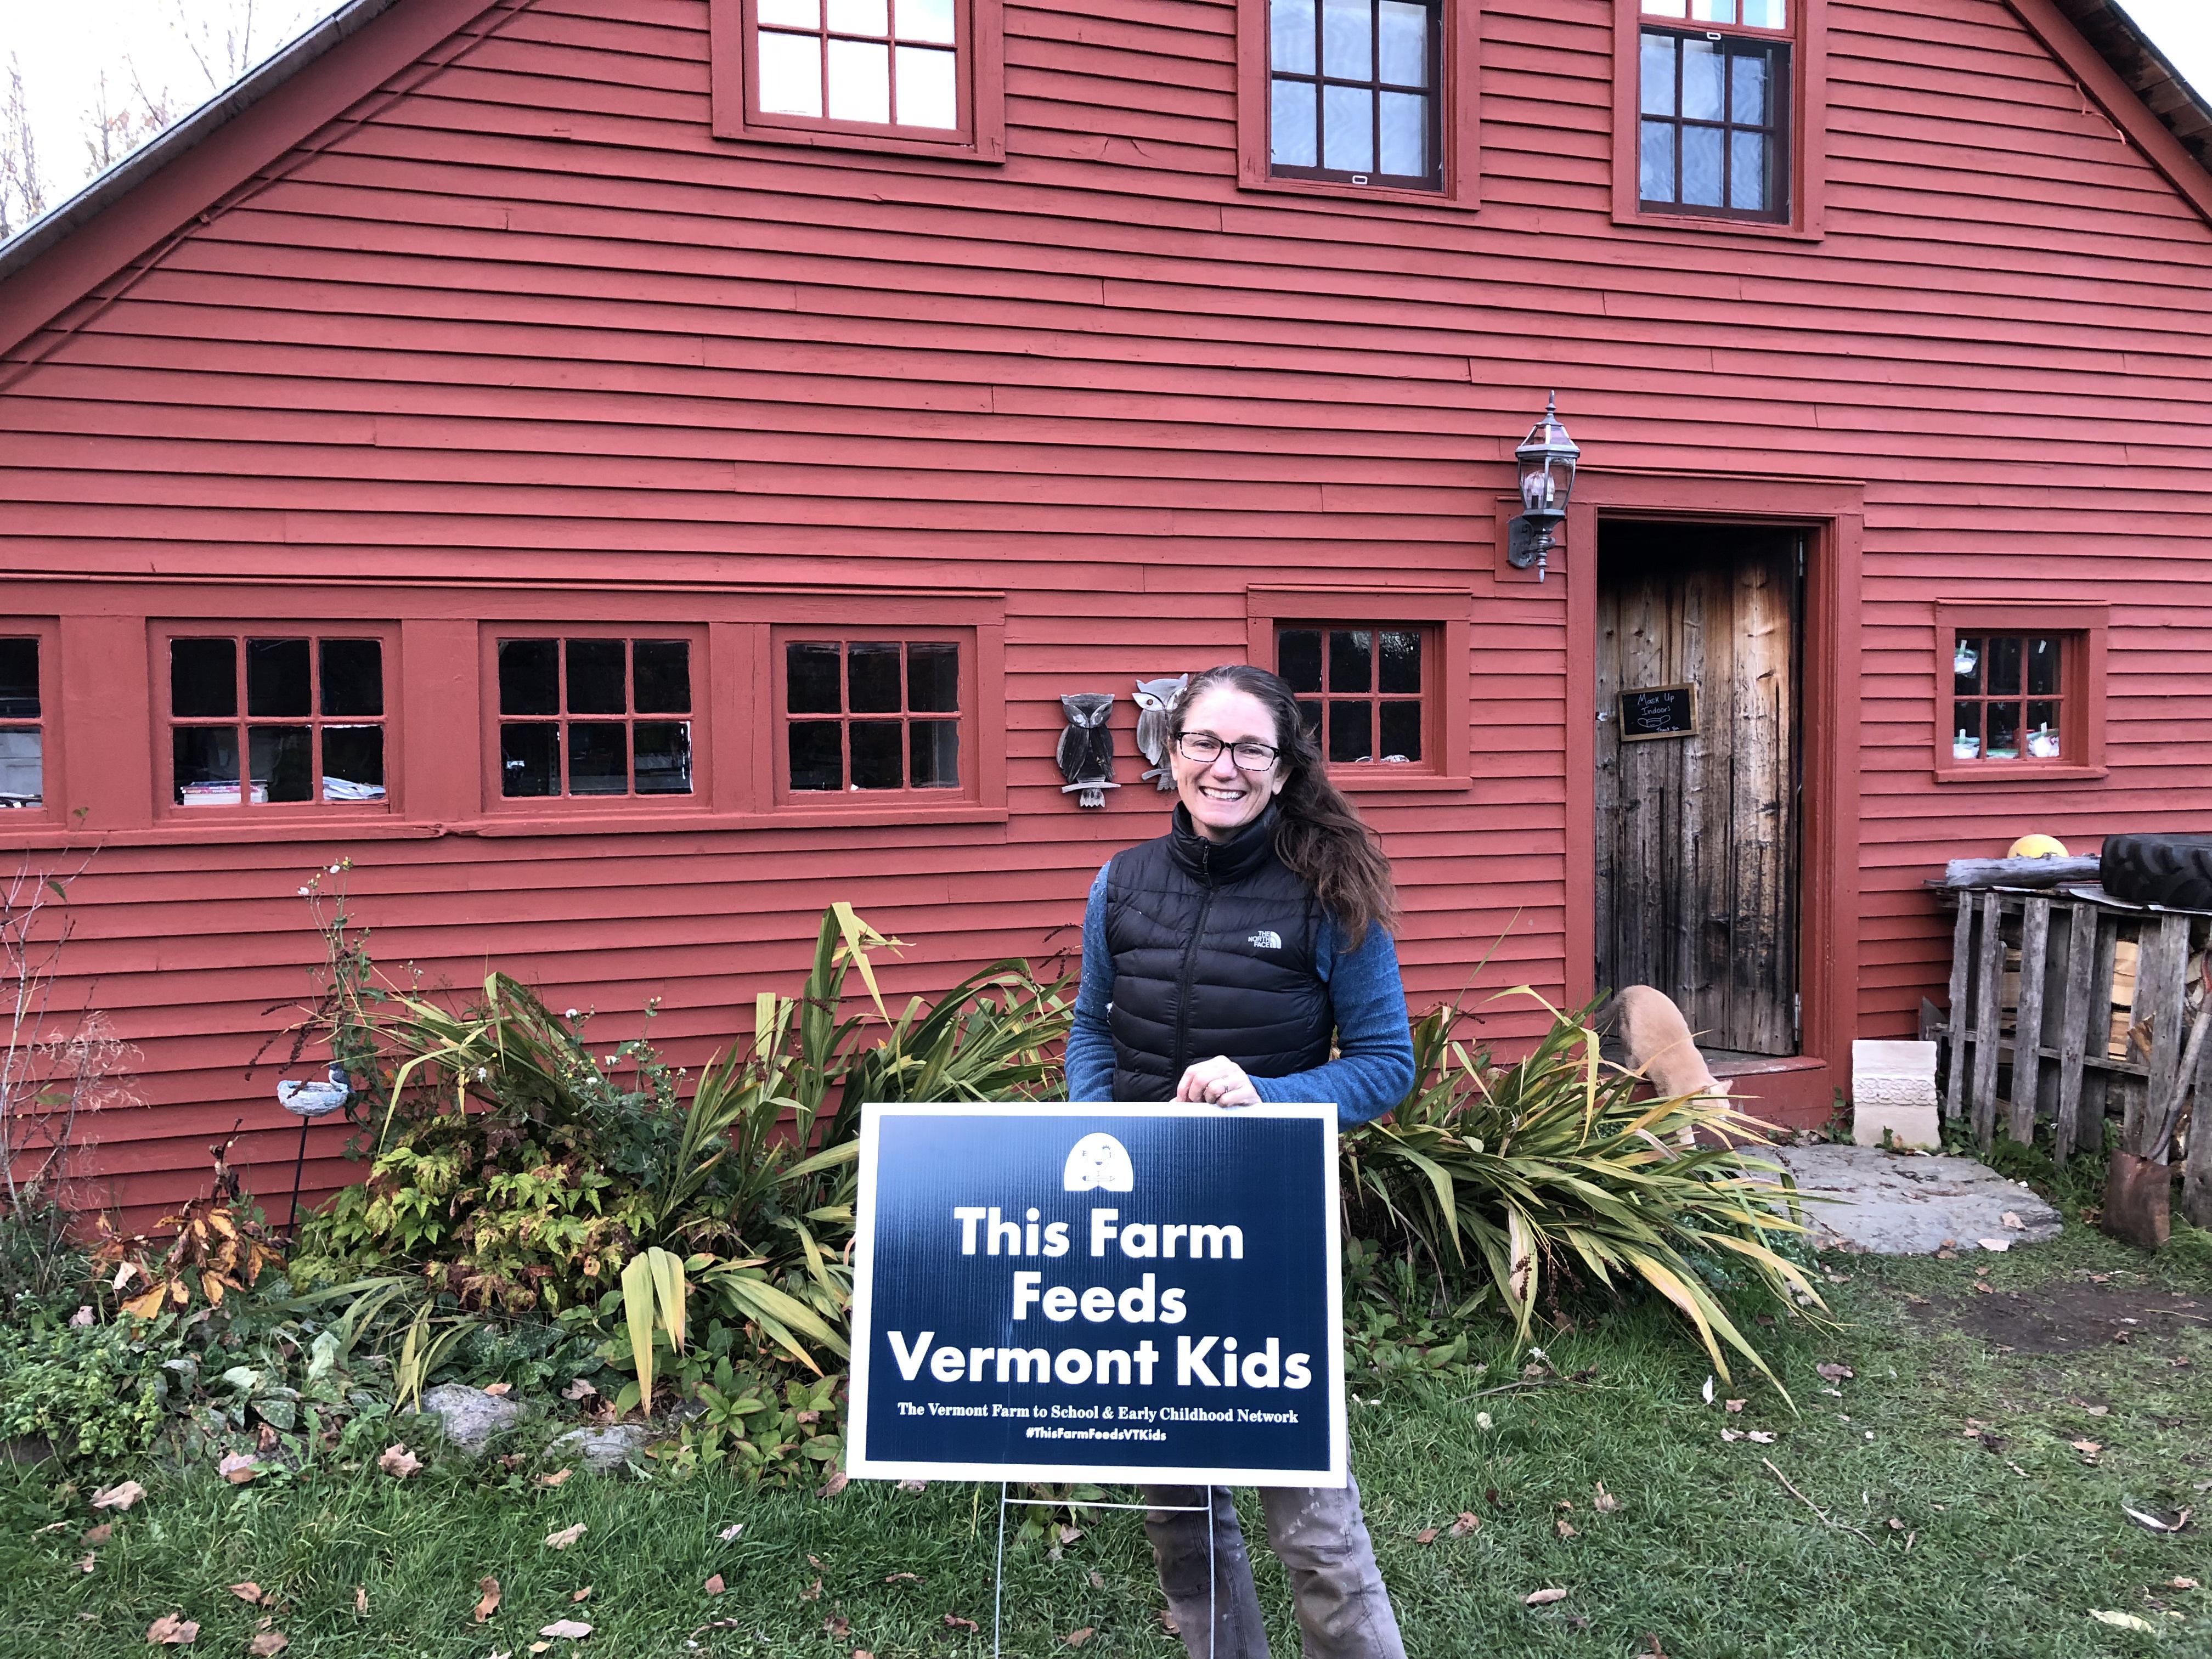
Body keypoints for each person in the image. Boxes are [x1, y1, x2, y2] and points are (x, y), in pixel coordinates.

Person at [1065, 662, 1415, 1659]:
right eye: (1204, 744)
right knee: (1179, 1505)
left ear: (1283, 764)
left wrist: (1274, 1097)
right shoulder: (1120, 882)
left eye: (1249, 748)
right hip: (1140, 1221)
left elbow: (1389, 1065)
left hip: (1267, 1227)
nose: (1225, 767)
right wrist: (1104, 1127)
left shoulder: (1329, 891)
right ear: (1170, 755)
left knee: (1311, 1517)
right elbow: (1091, 1028)